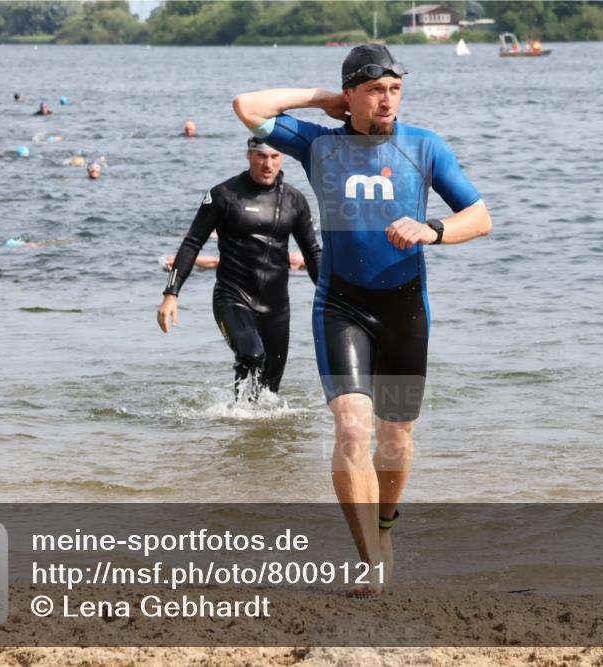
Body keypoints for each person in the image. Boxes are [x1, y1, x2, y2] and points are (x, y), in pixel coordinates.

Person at [233, 44, 492, 594]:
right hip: (341, 306)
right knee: (352, 428)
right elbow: (247, 106)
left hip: (405, 309)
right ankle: (369, 562)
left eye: (395, 89)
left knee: (395, 442)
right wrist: (321, 99)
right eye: (375, 90)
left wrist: (434, 231)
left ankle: (385, 528)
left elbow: (481, 216)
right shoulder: (318, 144)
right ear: (351, 93)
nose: (387, 100)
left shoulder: (424, 147)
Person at [157, 137, 322, 399]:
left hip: (277, 307)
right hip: (232, 298)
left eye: (274, 157)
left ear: (282, 158)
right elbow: (192, 243)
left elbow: (312, 254)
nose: (268, 164)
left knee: (269, 394)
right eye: (261, 156)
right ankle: (236, 415)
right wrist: (171, 293)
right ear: (249, 155)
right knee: (251, 354)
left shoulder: (294, 200)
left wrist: (334, 297)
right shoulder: (223, 195)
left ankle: (247, 434)